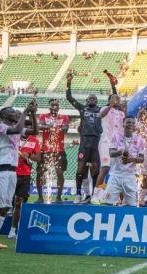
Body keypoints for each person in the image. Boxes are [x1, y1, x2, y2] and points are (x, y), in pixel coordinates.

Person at [0, 101, 36, 249]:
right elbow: (19, 128)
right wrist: (26, 110)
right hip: (1, 170)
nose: (15, 113)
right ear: (3, 115)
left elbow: (34, 132)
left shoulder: (14, 128)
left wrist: (32, 113)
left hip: (12, 172)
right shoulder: (0, 126)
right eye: (12, 111)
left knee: (5, 206)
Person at [65, 72, 102, 203]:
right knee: (80, 169)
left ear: (97, 101)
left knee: (95, 171)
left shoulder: (101, 110)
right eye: (90, 98)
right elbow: (69, 97)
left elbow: (113, 103)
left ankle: (93, 195)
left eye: (94, 98)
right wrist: (69, 83)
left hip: (96, 144)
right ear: (86, 101)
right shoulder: (82, 109)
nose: (92, 98)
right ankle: (79, 193)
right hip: (84, 143)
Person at [8, 119, 41, 239]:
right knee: (5, 203)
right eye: (26, 128)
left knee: (19, 203)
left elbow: (38, 159)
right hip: (11, 173)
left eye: (30, 128)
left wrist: (29, 156)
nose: (28, 131)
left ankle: (13, 231)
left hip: (25, 175)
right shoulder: (13, 138)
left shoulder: (34, 141)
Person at [92, 88, 125, 204]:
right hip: (106, 142)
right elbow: (101, 116)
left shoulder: (121, 113)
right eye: (113, 98)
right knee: (105, 168)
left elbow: (122, 130)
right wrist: (110, 105)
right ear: (109, 100)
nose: (116, 100)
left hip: (117, 144)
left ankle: (113, 196)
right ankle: (95, 194)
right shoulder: (105, 109)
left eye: (118, 99)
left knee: (116, 170)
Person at [104, 116, 144, 206]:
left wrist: (132, 159)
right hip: (115, 175)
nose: (131, 124)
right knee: (108, 203)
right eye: (128, 122)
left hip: (130, 177)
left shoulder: (139, 139)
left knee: (132, 205)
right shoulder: (116, 136)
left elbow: (142, 159)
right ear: (123, 124)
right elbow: (111, 153)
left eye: (133, 123)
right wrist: (120, 152)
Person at [36, 98, 70, 203]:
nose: (54, 107)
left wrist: (52, 126)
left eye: (56, 105)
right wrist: (50, 126)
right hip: (45, 149)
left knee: (60, 173)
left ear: (59, 107)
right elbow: (39, 126)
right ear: (49, 107)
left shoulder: (64, 117)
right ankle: (40, 197)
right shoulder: (43, 116)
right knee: (40, 173)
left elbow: (65, 128)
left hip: (59, 149)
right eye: (52, 105)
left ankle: (58, 197)